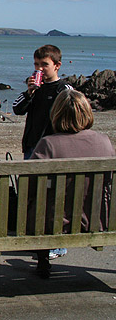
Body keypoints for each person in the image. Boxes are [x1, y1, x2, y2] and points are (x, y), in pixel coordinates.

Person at [28, 89, 115, 278]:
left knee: (39, 203)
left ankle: (43, 261)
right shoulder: (104, 142)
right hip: (98, 220)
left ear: (56, 114)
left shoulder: (48, 144)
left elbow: (29, 185)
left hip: (55, 223)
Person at [13, 44, 73, 160]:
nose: (40, 68)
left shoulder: (64, 89)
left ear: (57, 65)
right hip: (32, 146)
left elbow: (74, 115)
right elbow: (17, 109)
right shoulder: (36, 89)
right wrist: (29, 93)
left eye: (45, 64)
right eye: (36, 64)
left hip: (55, 146)